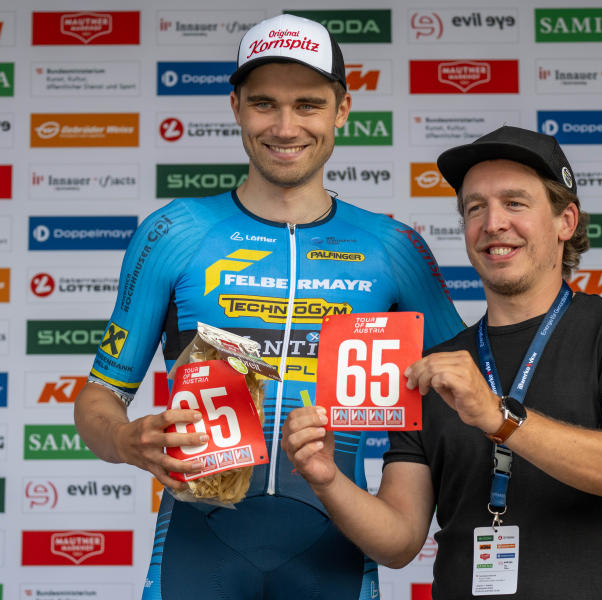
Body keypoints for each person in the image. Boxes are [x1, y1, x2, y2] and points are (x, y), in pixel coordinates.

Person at [73, 14, 464, 600]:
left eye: (308, 105)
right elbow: (98, 398)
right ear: (236, 107)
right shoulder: (174, 232)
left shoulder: (392, 247)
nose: (285, 127)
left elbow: (463, 392)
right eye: (264, 104)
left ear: (342, 110)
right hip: (196, 550)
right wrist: (126, 440)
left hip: (336, 551)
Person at [281, 126, 602, 599]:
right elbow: (399, 541)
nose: (493, 223)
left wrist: (498, 417)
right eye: (475, 207)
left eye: (514, 203)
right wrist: (329, 481)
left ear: (566, 221)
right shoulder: (432, 367)